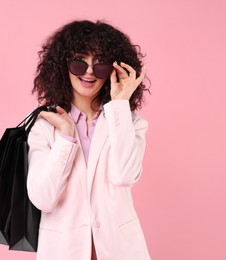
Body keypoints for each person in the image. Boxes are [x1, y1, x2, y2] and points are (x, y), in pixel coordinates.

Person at [27, 20, 151, 260]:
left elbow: (124, 176)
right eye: (79, 61)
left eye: (101, 63)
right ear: (63, 66)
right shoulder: (44, 126)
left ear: (115, 70)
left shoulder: (130, 122)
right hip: (63, 251)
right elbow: (43, 198)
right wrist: (65, 138)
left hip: (120, 251)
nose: (89, 71)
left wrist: (119, 106)